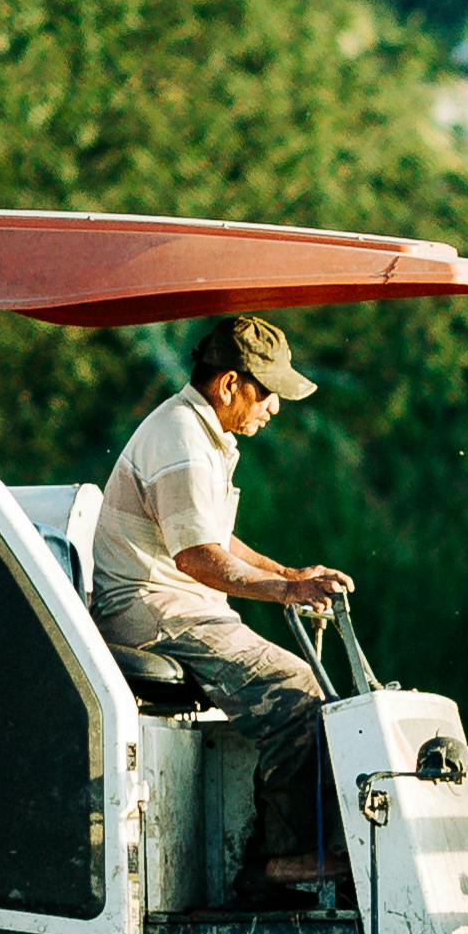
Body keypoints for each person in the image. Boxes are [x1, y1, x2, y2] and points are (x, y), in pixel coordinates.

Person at [91, 311, 355, 897]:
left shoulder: (201, 433)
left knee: (316, 688)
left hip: (178, 604)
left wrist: (289, 573)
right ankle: (281, 860)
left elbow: (211, 536)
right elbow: (197, 558)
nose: (275, 408)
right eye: (267, 394)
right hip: (153, 610)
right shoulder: (182, 440)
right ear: (229, 384)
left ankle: (307, 845)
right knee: (295, 690)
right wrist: (287, 592)